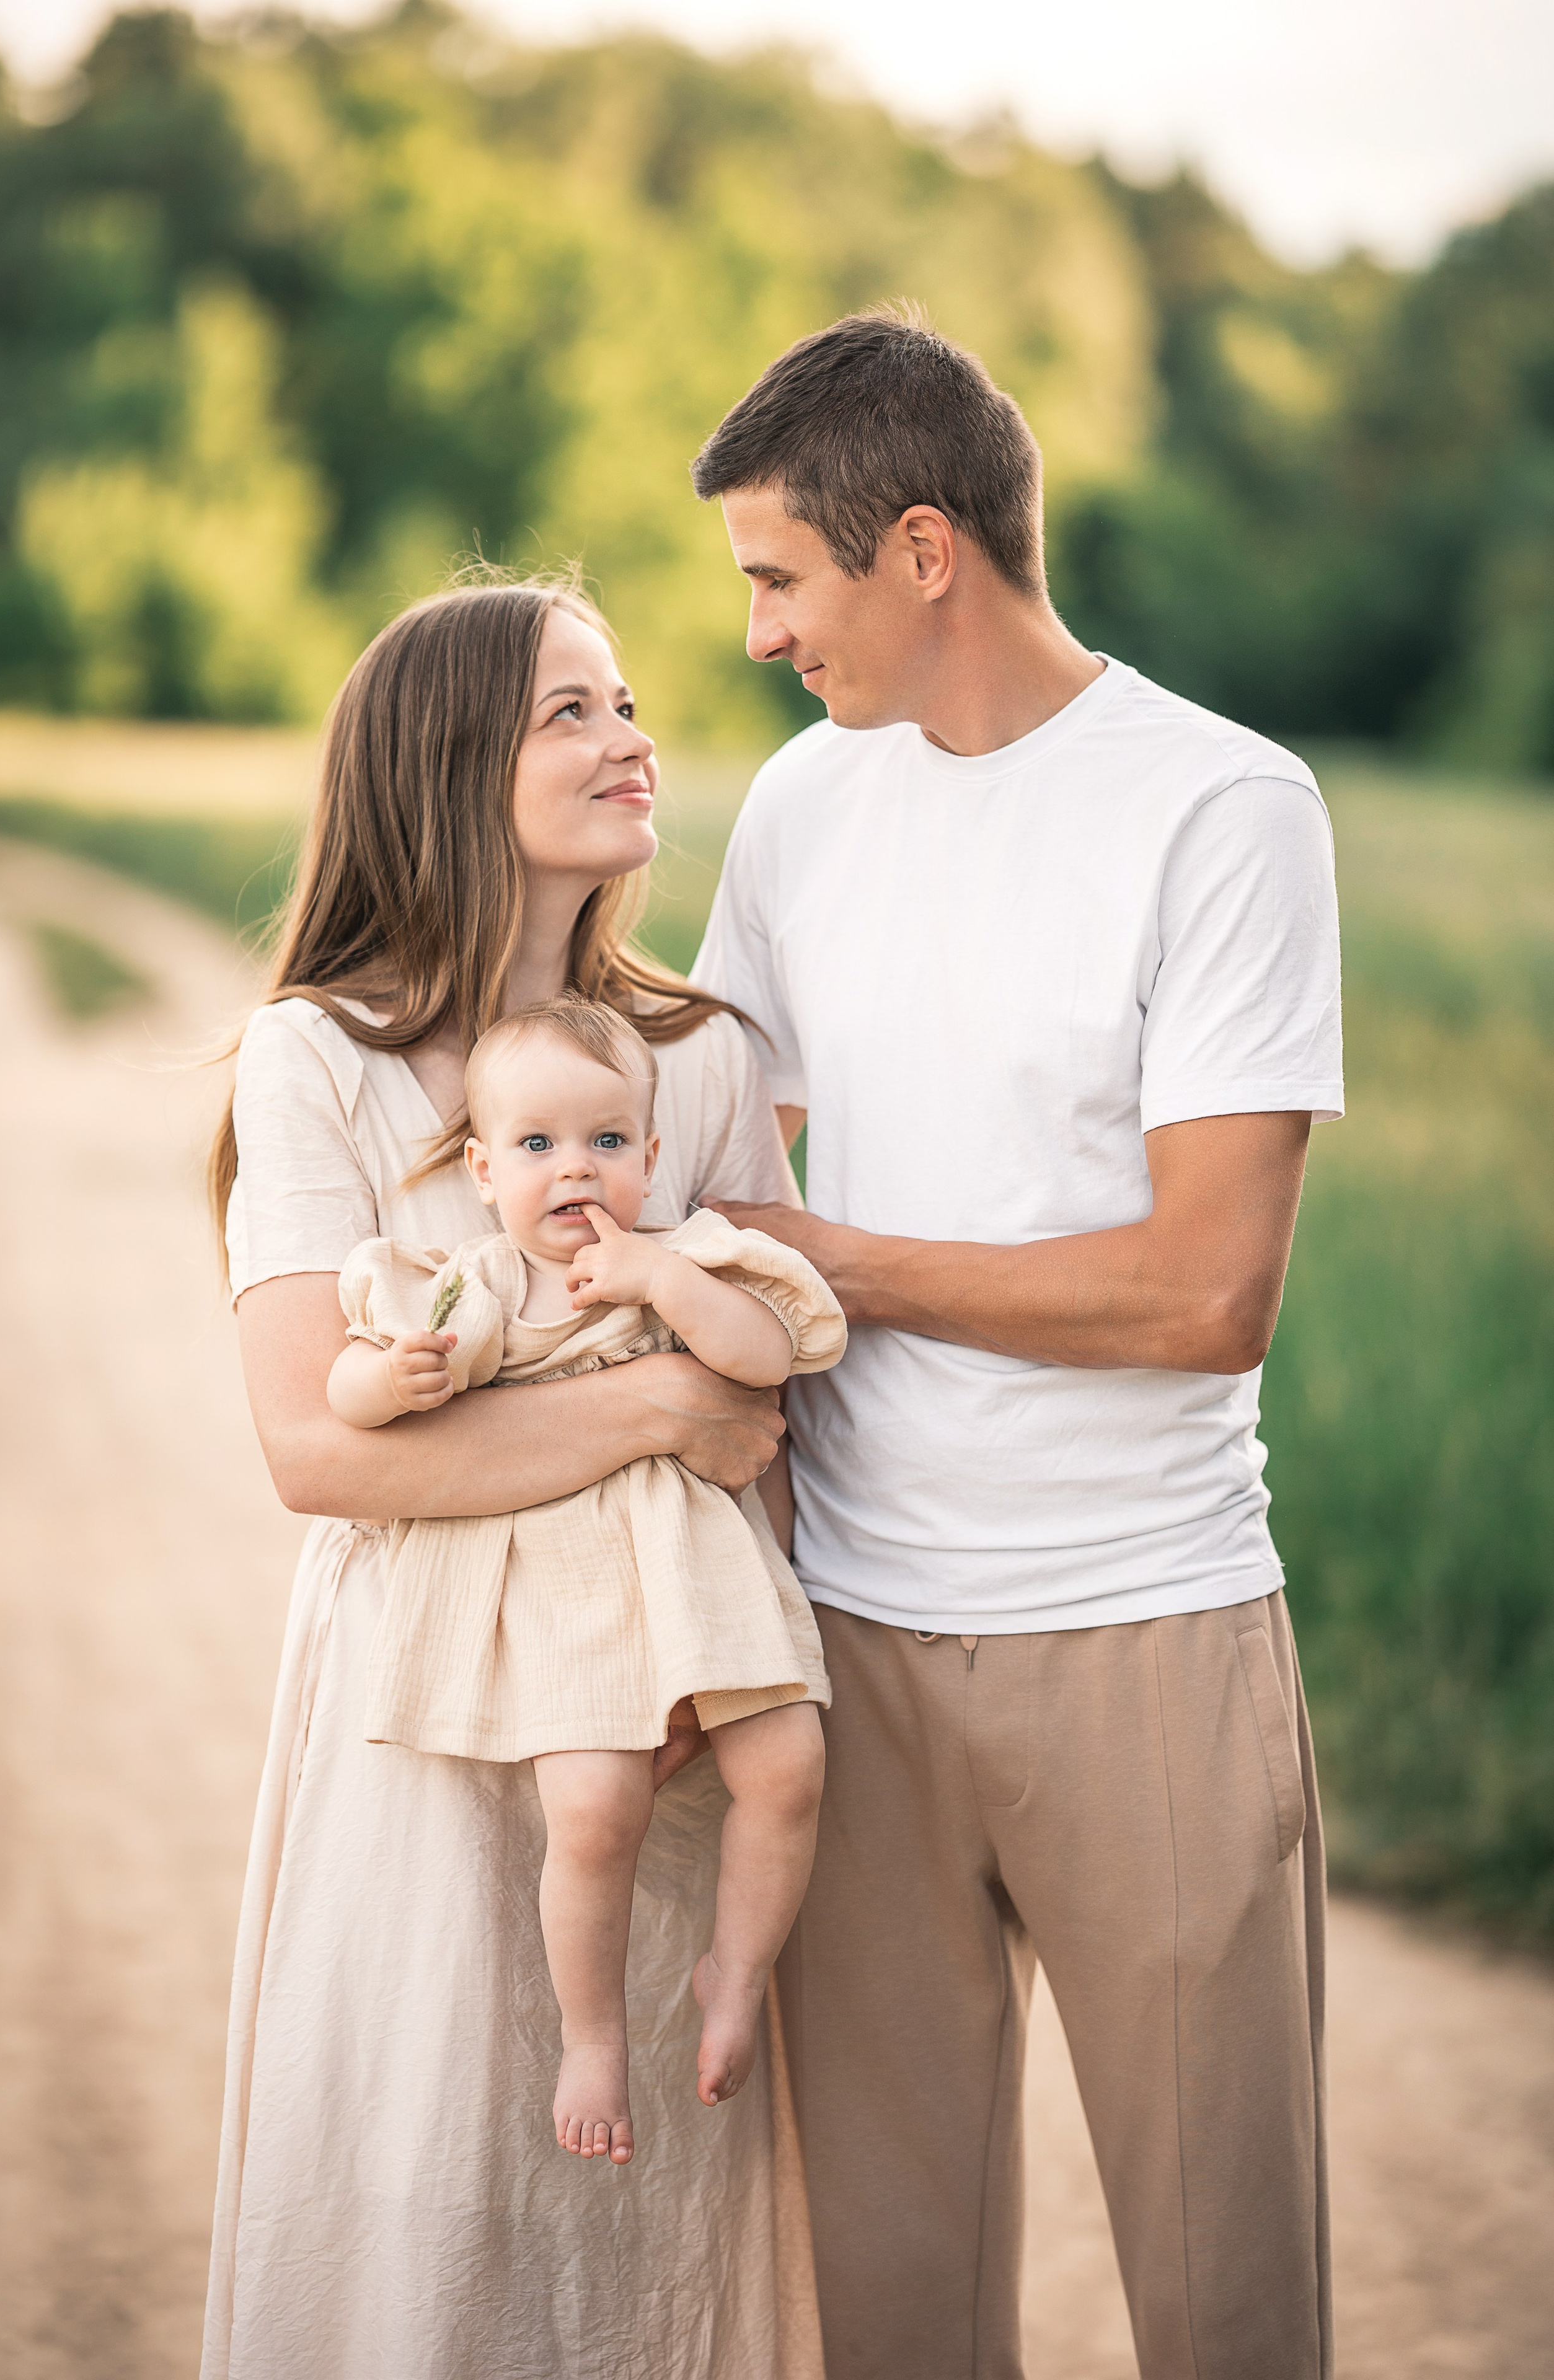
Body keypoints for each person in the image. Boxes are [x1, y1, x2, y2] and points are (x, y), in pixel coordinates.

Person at [688, 307, 1343, 2380]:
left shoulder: (1222, 811)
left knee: (1224, 2301)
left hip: (1143, 1639)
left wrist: (849, 1265)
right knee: (891, 2308)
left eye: (780, 578)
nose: (765, 631)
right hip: (851, 1649)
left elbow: (1201, 1293)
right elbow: (702, 1150)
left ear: (921, 551)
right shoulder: (805, 812)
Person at [200, 575, 826, 2380]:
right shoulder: (317, 1053)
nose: (632, 737)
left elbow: (762, 1413)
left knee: (644, 2229)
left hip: (661, 1691)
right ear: (446, 762)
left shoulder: (700, 1057)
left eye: (625, 702)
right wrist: (653, 1422)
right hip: (415, 1704)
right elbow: (320, 1447)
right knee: (421, 2192)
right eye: (573, 710)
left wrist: (716, 1499)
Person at [326, 995, 842, 2164]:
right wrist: (397, 1379)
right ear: (484, 1169)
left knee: (791, 1765)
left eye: (608, 1144)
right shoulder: (488, 1283)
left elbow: (770, 1358)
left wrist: (662, 1281)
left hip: (700, 1577)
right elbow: (354, 1396)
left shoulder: (691, 1258)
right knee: (596, 1809)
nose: (577, 1172)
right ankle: (592, 2035)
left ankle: (736, 1968)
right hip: (571, 1597)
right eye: (539, 1146)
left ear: (650, 1159)